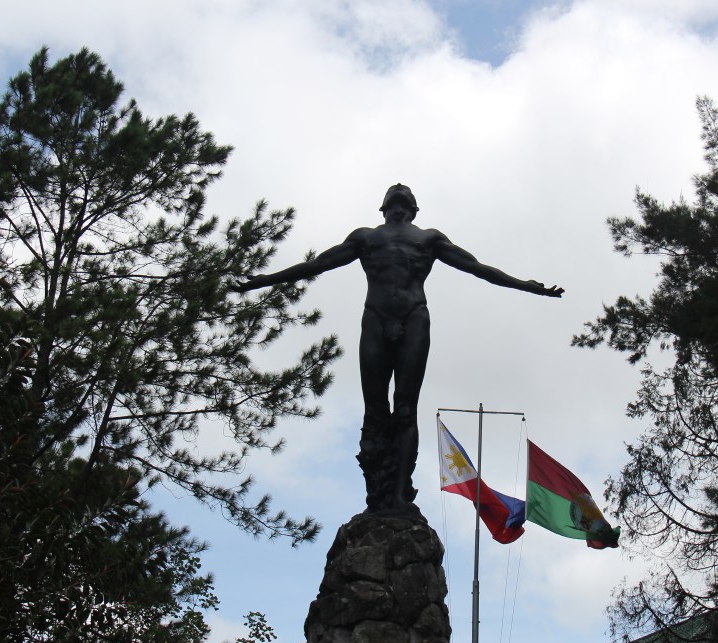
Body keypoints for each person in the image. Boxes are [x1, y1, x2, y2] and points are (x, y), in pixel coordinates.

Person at [235, 184, 563, 516]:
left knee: (405, 409)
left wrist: (524, 285)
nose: (398, 205)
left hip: (413, 319)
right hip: (376, 319)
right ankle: (379, 493)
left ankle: (399, 495)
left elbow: (478, 268)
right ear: (385, 208)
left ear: (412, 210)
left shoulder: (429, 240)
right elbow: (317, 265)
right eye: (395, 202)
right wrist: (265, 280)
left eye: (402, 202)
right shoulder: (366, 238)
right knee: (376, 410)